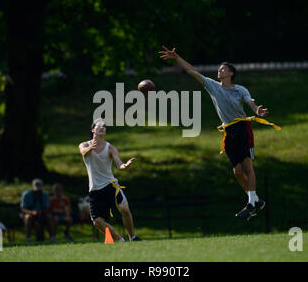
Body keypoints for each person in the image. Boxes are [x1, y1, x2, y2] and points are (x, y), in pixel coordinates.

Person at [159, 46, 280, 221]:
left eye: (223, 68)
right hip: (228, 131)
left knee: (247, 167)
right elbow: (192, 71)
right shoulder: (213, 86)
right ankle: (255, 200)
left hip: (242, 128)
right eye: (219, 68)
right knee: (237, 172)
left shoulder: (240, 89)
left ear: (230, 73)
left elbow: (251, 104)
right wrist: (176, 58)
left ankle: (252, 203)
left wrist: (257, 110)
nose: (219, 70)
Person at [78, 118, 142, 242]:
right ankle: (119, 240)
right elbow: (83, 152)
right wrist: (91, 148)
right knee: (97, 222)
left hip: (110, 185)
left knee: (124, 209)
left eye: (104, 126)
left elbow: (119, 164)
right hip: (95, 189)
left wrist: (125, 165)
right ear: (93, 130)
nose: (102, 128)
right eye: (99, 126)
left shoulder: (110, 148)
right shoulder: (85, 144)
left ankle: (132, 237)